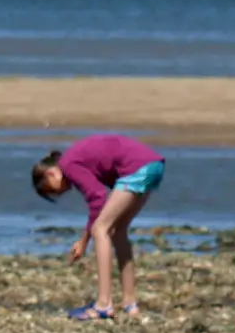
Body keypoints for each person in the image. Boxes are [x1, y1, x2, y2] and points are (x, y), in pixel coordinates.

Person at [32, 135, 165, 320]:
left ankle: (104, 304)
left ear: (51, 173)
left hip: (136, 167)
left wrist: (84, 240)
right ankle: (130, 303)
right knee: (117, 231)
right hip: (153, 165)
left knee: (100, 230)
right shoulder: (75, 160)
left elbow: (98, 198)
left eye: (52, 189)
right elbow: (101, 199)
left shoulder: (68, 164)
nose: (60, 192)